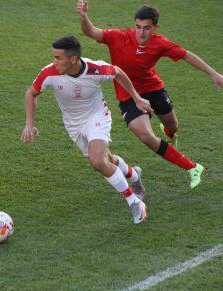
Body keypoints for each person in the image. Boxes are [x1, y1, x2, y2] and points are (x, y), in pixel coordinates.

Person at [77, 1, 223, 189]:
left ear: (155, 28)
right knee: (146, 136)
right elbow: (91, 32)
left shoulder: (160, 43)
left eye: (147, 28)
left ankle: (170, 133)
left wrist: (213, 73)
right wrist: (84, 16)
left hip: (154, 90)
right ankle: (193, 167)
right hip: (128, 95)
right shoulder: (118, 37)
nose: (141, 32)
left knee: (172, 126)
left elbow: (186, 55)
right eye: (138, 27)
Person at [21, 36, 154, 224]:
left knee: (97, 160)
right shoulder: (49, 73)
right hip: (73, 125)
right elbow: (31, 92)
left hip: (97, 117)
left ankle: (133, 202)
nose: (54, 62)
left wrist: (137, 98)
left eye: (58, 58)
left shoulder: (95, 69)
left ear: (73, 59)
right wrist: (29, 124)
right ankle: (134, 174)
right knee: (106, 159)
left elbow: (118, 72)